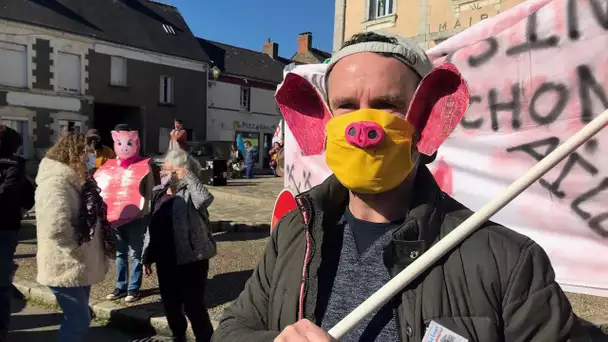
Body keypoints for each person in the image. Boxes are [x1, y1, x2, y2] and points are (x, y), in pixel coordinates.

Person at [212, 32, 584, 342]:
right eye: (346, 105)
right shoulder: (295, 233)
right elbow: (230, 330)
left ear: (426, 120)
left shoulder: (508, 260)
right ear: (319, 121)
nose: (362, 126)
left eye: (386, 104)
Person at [35, 133, 113, 342]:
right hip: (65, 265)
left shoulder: (78, 180)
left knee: (78, 318)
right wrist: (80, 250)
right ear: (74, 154)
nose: (91, 157)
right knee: (79, 321)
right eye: (87, 153)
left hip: (78, 264)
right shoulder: (55, 183)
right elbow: (56, 227)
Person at [142, 148, 216, 342]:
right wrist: (147, 256)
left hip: (192, 259)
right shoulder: (158, 193)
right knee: (170, 304)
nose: (162, 172)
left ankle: (205, 339)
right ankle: (178, 336)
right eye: (162, 169)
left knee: (194, 306)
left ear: (180, 171)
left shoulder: (190, 193)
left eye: (167, 169)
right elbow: (152, 226)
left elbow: (205, 200)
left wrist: (189, 177)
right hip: (165, 259)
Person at [95, 124, 156, 303]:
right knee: (120, 253)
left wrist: (146, 214)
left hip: (137, 217)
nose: (124, 147)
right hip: (116, 216)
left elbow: (150, 192)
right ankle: (121, 286)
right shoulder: (110, 166)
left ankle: (133, 287)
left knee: (136, 253)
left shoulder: (144, 166)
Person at [0, 125, 29, 341]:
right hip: (6, 228)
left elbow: (12, 192)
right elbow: (29, 194)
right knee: (1, 284)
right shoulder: (17, 165)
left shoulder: (14, 166)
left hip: (5, 230)